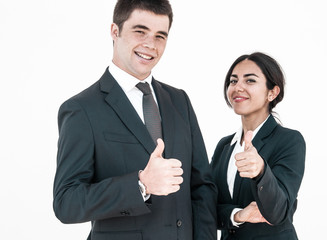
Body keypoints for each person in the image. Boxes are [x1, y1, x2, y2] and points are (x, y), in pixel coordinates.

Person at [53, 0, 217, 239]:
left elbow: (202, 186)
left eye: (160, 36)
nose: (150, 45)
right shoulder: (81, 109)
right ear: (115, 31)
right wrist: (140, 185)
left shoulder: (179, 100)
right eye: (140, 31)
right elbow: (67, 202)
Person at [211, 52, 306, 239]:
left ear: (272, 92)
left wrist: (261, 172)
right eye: (233, 81)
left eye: (250, 81)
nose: (238, 87)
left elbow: (279, 211)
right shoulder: (224, 146)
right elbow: (208, 207)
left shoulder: (289, 141)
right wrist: (237, 215)